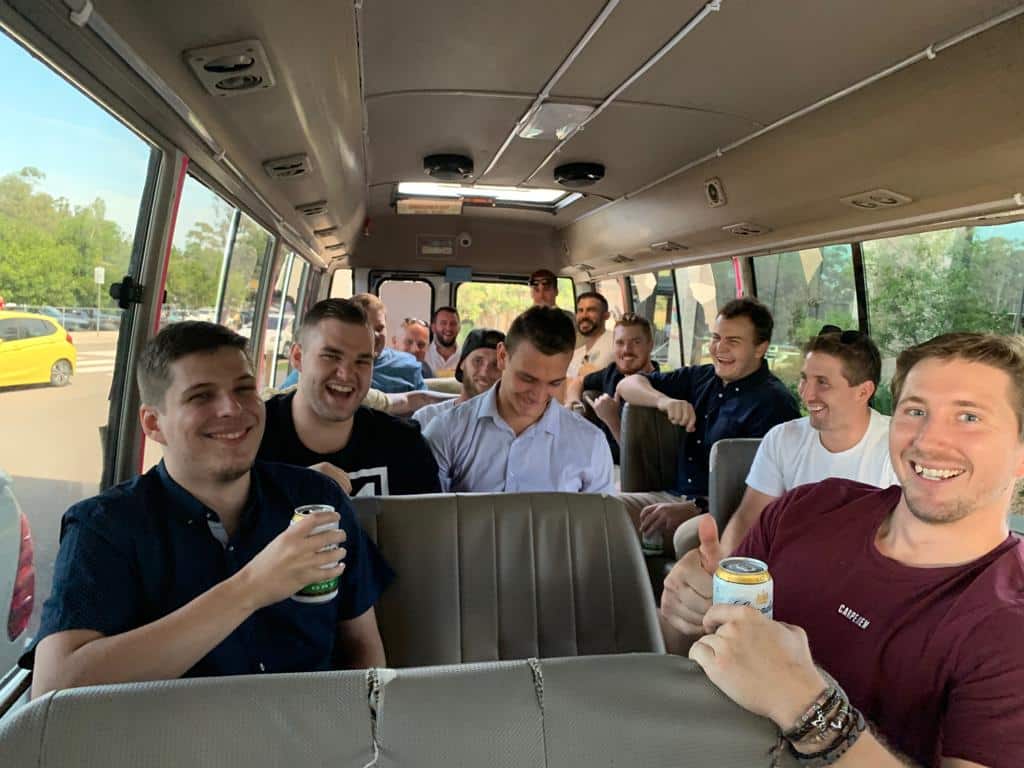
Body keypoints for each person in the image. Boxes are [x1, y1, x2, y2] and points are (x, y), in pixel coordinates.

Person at [662, 332, 1024, 767]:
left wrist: (806, 705)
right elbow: (692, 657)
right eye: (915, 411)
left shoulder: (1009, 624)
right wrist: (685, 609)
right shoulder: (807, 508)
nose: (929, 441)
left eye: (968, 417)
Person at [27, 322, 393, 697]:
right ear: (154, 424)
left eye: (244, 389)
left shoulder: (315, 498)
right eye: (201, 396)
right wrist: (252, 587)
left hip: (316, 728)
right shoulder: (105, 527)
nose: (232, 408)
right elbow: (54, 688)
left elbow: (362, 645)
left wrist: (367, 723)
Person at [689, 325, 898, 557]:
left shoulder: (898, 445)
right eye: (804, 379)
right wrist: (727, 572)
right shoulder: (781, 439)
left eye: (822, 383)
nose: (806, 394)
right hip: (787, 564)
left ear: (863, 392)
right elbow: (748, 519)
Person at [617, 297, 800, 540]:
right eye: (716, 337)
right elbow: (628, 384)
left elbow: (768, 491)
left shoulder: (775, 404)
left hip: (725, 513)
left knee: (686, 536)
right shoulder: (701, 377)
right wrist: (664, 401)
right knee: (599, 511)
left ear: (760, 348)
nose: (719, 348)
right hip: (672, 496)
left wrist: (697, 507)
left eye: (733, 341)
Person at [259, 299, 441, 497]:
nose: (346, 375)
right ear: (297, 357)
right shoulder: (253, 439)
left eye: (362, 361)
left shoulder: (405, 447)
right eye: (331, 356)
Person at [423, 306, 614, 493]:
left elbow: (599, 515)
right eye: (527, 379)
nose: (539, 395)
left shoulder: (591, 443)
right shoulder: (447, 431)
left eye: (554, 383)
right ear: (502, 356)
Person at [566, 313, 659, 464]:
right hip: (596, 461)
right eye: (620, 343)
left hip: (623, 468)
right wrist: (572, 402)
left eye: (636, 342)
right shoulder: (612, 372)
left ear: (650, 345)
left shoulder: (659, 389)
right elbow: (579, 381)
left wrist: (611, 419)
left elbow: (641, 461)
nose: (627, 350)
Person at [413, 328, 504, 431]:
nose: (485, 372)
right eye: (478, 361)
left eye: (495, 365)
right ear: (462, 363)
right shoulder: (426, 418)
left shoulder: (509, 426)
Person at [350, 293, 425, 393]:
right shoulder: (337, 367)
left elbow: (426, 401)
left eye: (380, 328)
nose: (375, 335)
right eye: (367, 329)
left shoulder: (409, 366)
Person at [567, 291, 614, 378]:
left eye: (591, 310)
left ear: (606, 315)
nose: (584, 316)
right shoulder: (576, 354)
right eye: (580, 310)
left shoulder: (616, 342)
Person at [425, 306, 461, 377]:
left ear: (459, 328)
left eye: (453, 324)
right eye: (443, 323)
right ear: (433, 328)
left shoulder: (466, 357)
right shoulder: (423, 355)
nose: (448, 328)